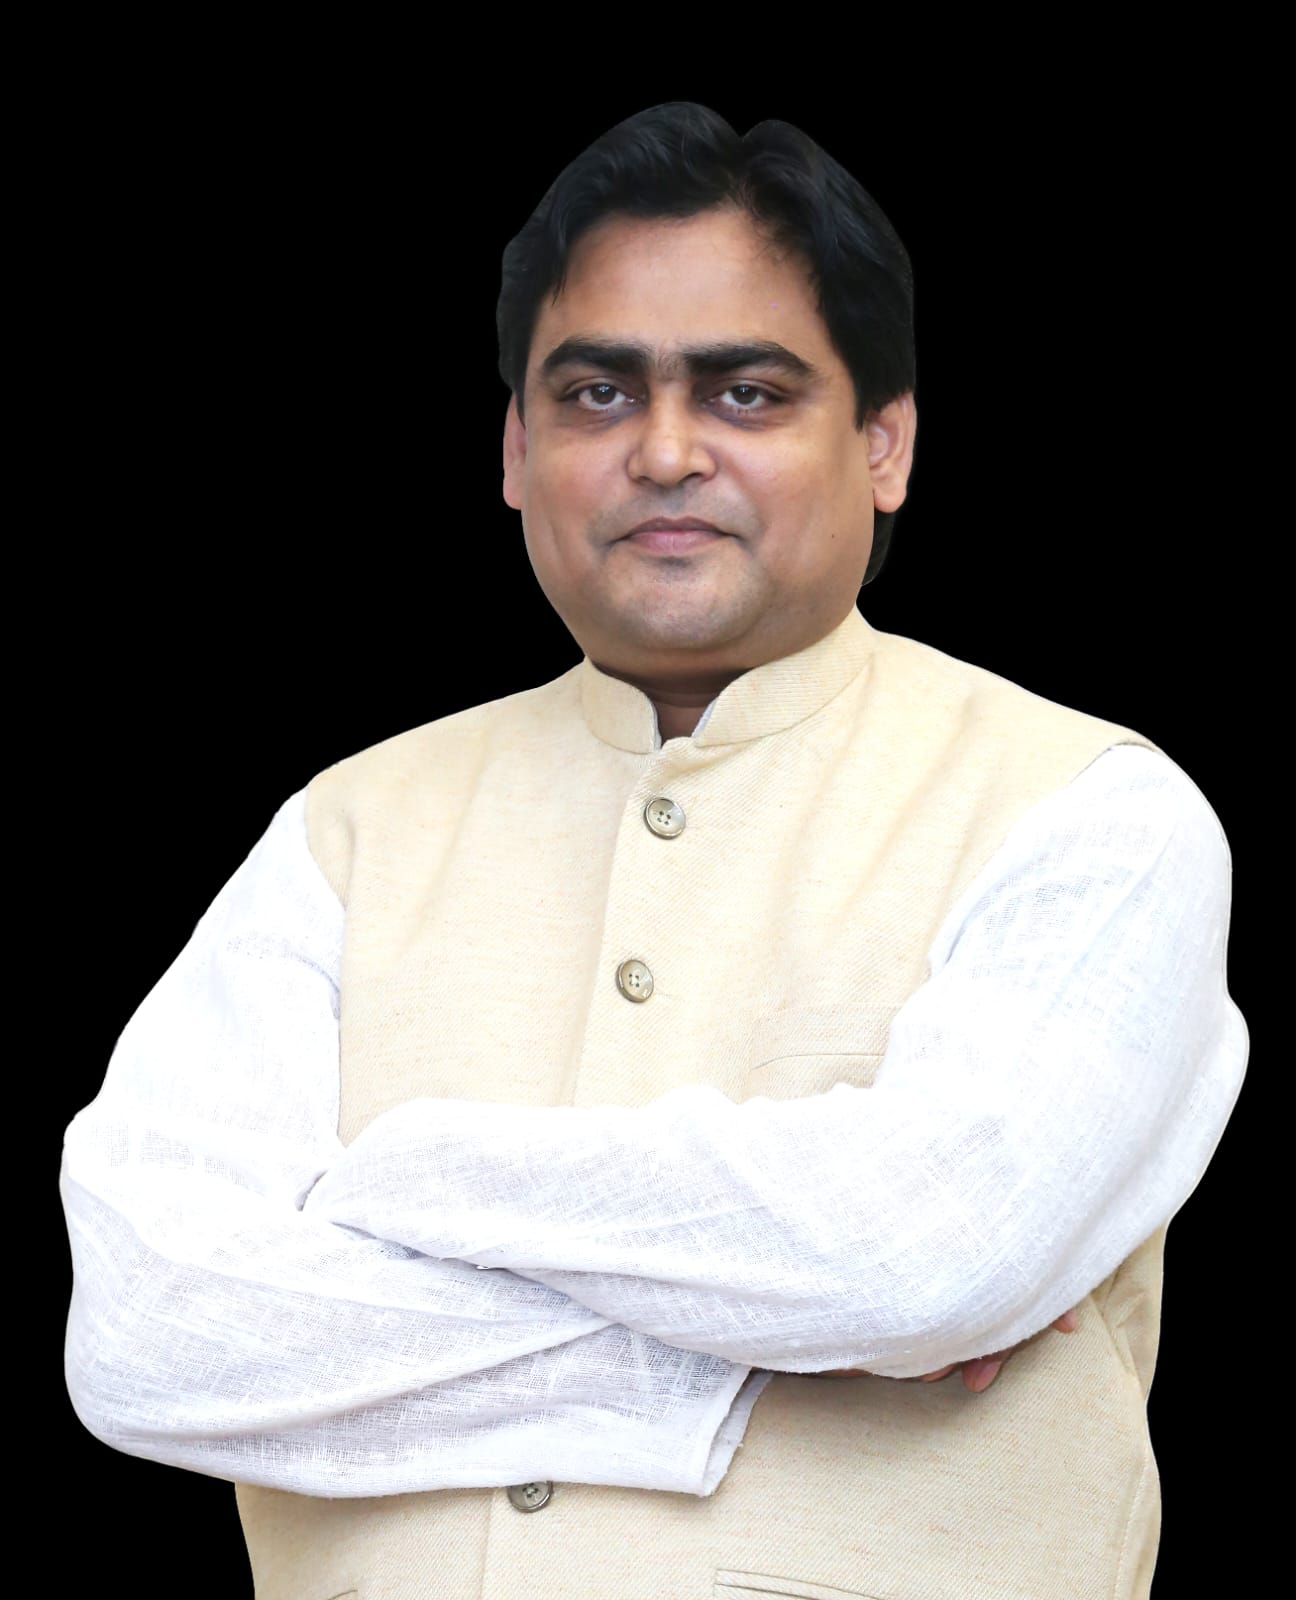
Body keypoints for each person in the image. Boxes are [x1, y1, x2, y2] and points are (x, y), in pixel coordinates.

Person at [60, 102, 1247, 1599]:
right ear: (517, 447)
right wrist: (758, 1346)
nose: (666, 451)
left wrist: (391, 1183)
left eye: (747, 393)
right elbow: (154, 1337)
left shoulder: (1089, 813)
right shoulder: (344, 835)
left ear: (885, 442)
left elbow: (924, 1254)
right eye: (598, 394)